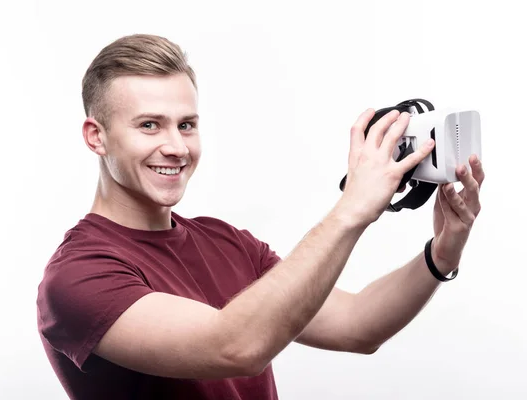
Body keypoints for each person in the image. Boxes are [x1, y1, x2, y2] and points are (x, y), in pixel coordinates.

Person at [36, 34, 485, 400]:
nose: (176, 146)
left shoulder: (227, 242)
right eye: (149, 125)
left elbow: (357, 325)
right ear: (97, 137)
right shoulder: (78, 277)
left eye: (186, 124)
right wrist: (351, 210)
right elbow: (234, 347)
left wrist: (441, 254)